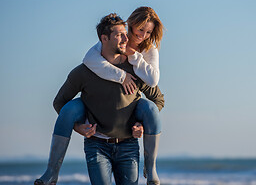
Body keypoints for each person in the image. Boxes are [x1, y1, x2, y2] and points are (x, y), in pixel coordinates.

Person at [35, 13, 164, 185]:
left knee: (149, 107)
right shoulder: (84, 71)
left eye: (125, 33)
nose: (127, 38)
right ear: (104, 38)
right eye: (119, 35)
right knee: (71, 107)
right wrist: (78, 127)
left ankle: (151, 168)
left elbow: (158, 100)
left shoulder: (136, 70)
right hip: (97, 146)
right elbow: (59, 102)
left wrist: (141, 125)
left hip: (128, 146)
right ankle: (51, 174)